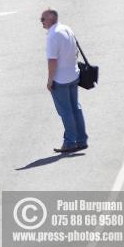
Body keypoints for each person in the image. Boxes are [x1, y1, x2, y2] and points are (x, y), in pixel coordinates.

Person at [41, 9, 88, 154]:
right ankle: (82, 139)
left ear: (50, 19)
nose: (41, 21)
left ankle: (70, 142)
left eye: (43, 19)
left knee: (66, 111)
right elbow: (76, 50)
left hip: (60, 79)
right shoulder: (67, 29)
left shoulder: (53, 36)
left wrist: (50, 80)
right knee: (76, 107)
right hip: (73, 75)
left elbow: (52, 61)